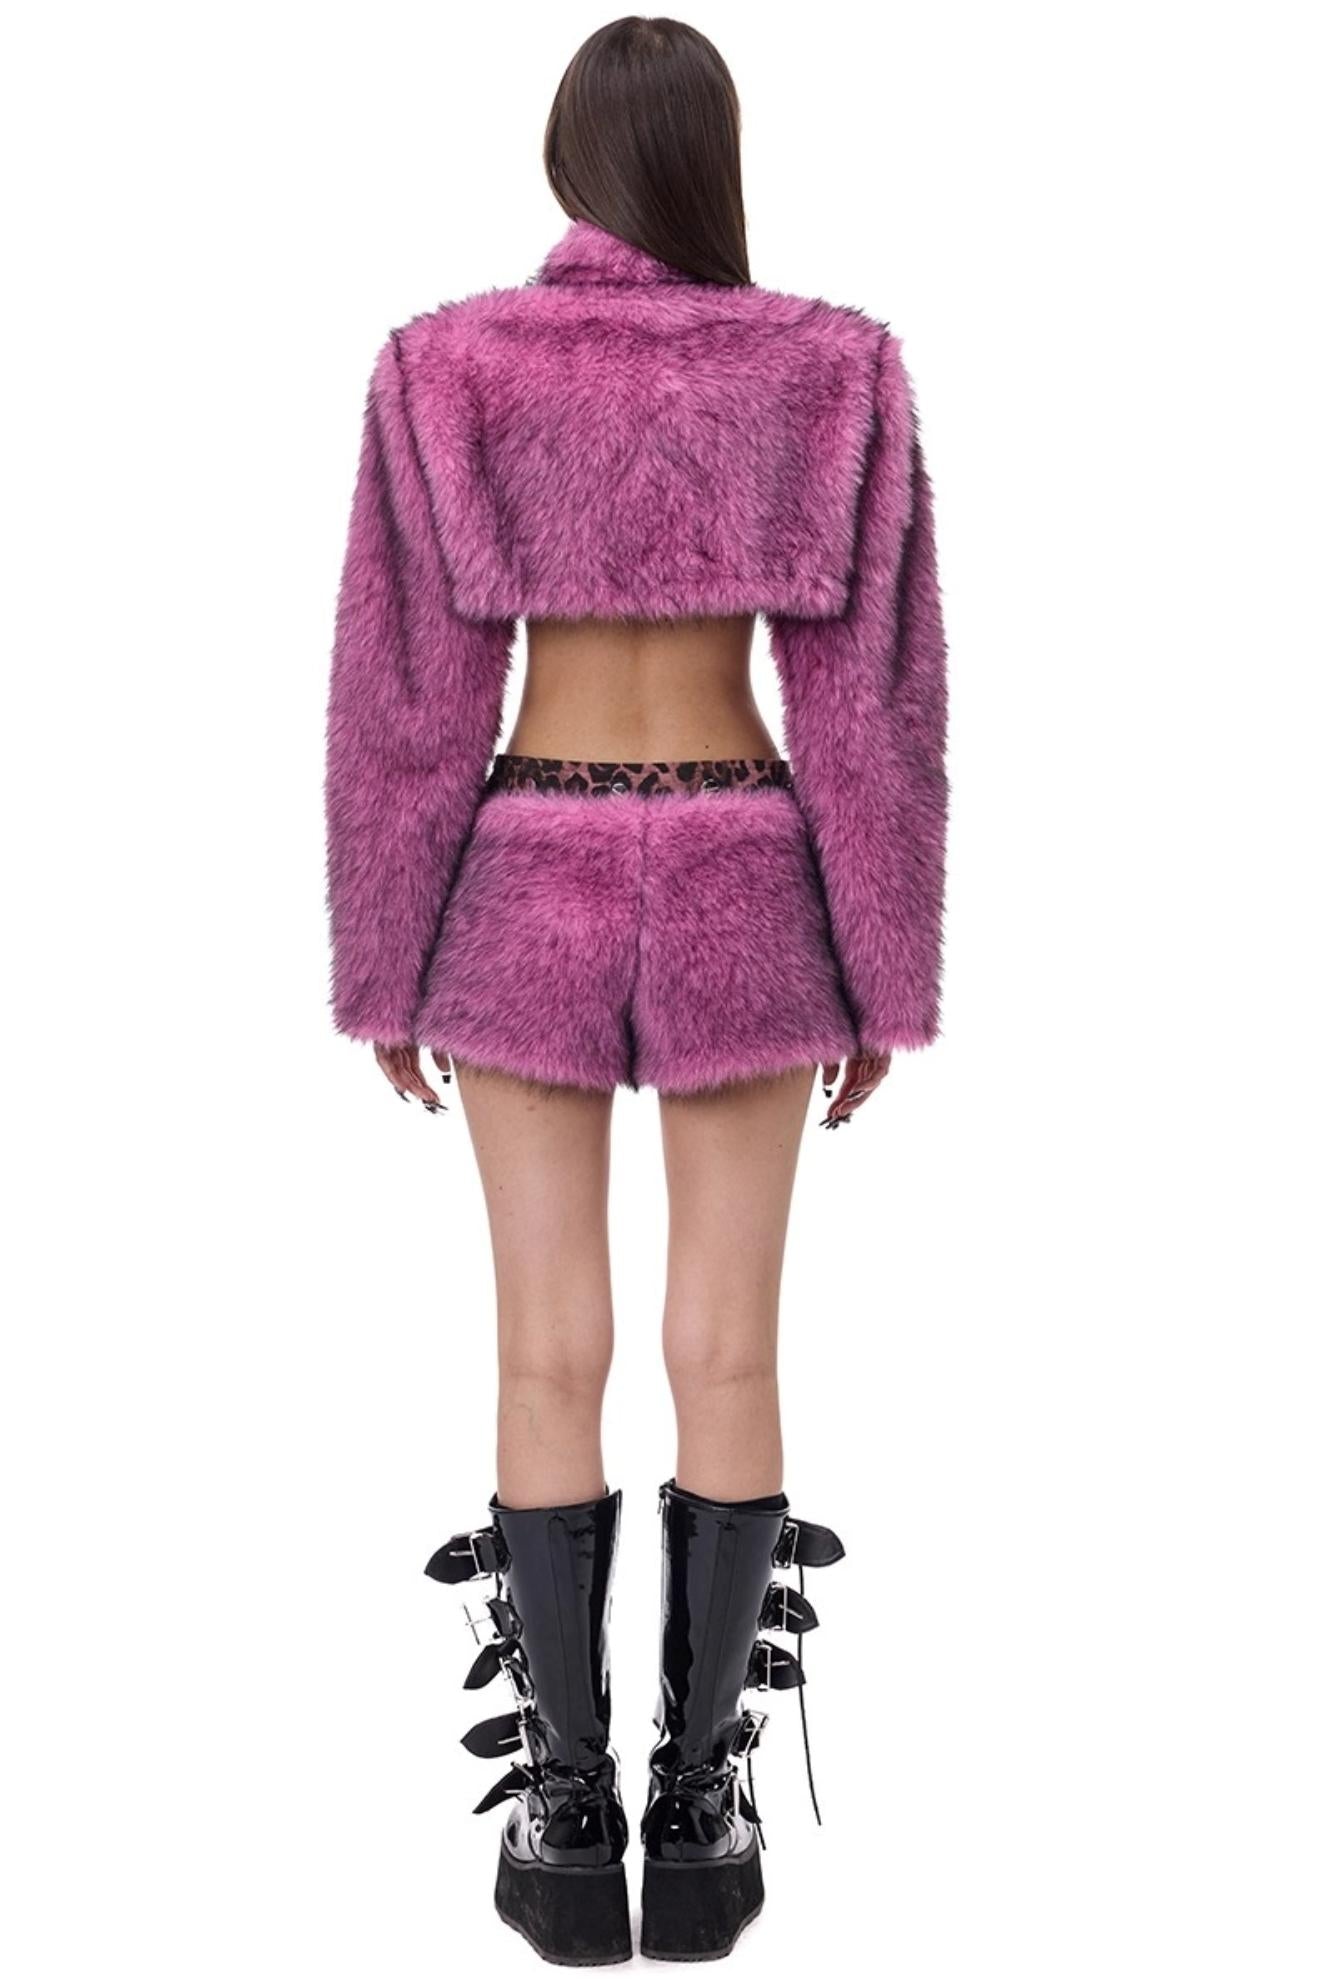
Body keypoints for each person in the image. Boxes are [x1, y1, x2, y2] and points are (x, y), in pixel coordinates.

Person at [324, 15, 948, 1965]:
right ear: (711, 162)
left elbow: (405, 699)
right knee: (729, 1348)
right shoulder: (831, 373)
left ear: (566, 165)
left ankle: (563, 1820)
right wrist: (881, 968)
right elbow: (874, 710)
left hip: (529, 864)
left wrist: (386, 960)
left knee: (545, 1346)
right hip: (749, 863)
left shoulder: (447, 370)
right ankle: (702, 1813)